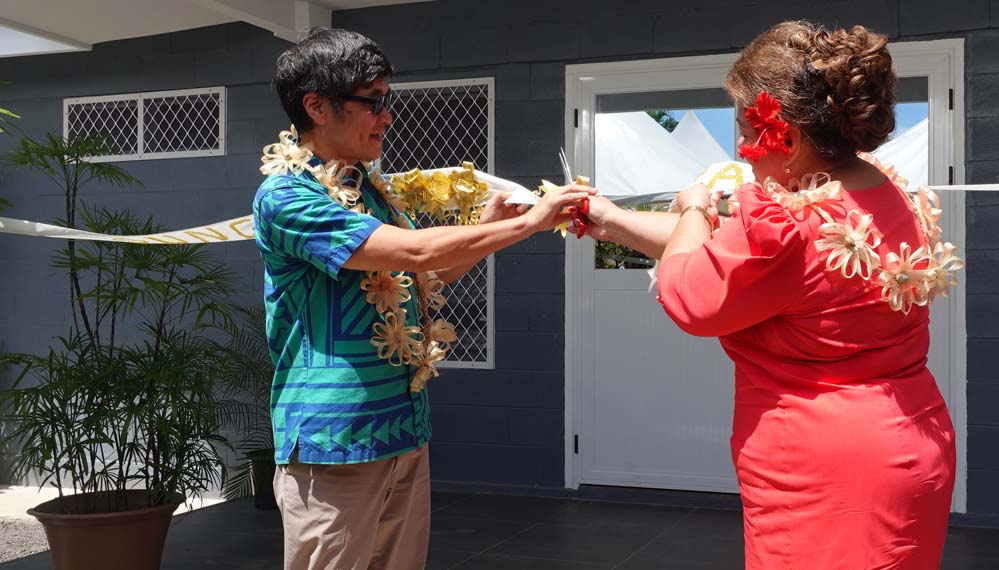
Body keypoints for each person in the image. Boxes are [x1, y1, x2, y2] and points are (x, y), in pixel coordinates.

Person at [582, 20, 959, 570]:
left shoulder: (786, 221)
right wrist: (612, 221)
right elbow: (733, 255)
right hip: (910, 443)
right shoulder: (880, 191)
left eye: (746, 127)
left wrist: (692, 205)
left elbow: (692, 292)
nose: (740, 145)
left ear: (792, 135)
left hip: (828, 474)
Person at [252, 27, 592, 570]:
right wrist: (532, 221)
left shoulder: (369, 189)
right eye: (373, 102)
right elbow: (412, 252)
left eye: (388, 101)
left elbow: (426, 273)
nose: (387, 116)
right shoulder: (288, 195)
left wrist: (493, 226)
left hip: (403, 426)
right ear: (316, 106)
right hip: (334, 438)